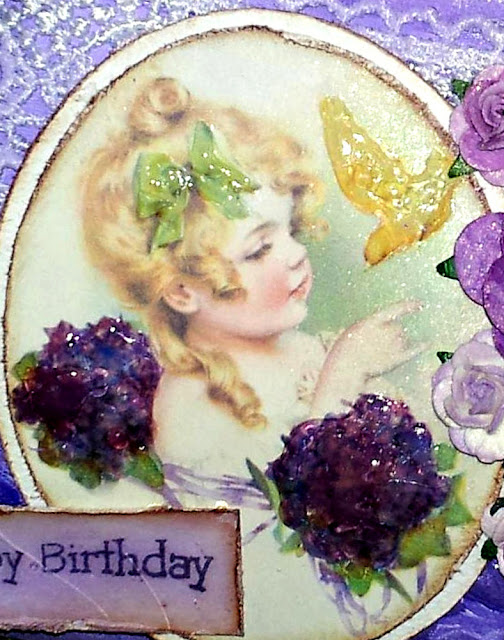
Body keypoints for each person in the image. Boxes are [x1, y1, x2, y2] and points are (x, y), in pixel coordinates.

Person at [82, 76, 420, 639]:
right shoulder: (191, 402)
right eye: (261, 248)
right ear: (182, 291)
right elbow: (298, 512)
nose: (295, 255)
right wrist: (344, 374)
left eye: (289, 229)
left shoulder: (303, 347)